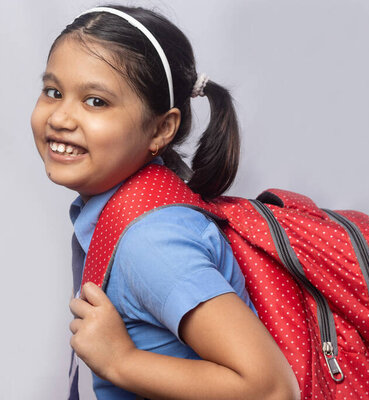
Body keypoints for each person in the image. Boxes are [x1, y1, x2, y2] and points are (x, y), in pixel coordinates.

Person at [31, 5, 300, 399]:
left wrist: (121, 361)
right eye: (53, 92)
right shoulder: (135, 206)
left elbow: (271, 389)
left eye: (96, 102)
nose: (61, 117)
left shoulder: (151, 241)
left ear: (161, 129)